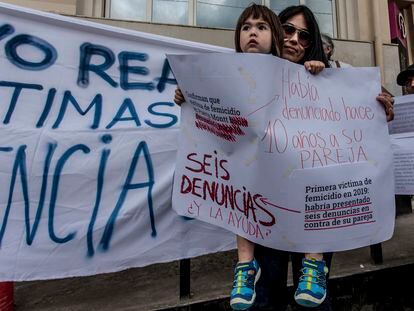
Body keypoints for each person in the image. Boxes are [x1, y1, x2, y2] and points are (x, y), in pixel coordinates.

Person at [174, 4, 394, 311]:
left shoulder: (334, 78)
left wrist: (380, 108)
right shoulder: (250, 78)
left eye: (303, 35)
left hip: (314, 210)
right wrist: (190, 97)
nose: (293, 39)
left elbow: (365, 114)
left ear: (312, 41)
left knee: (313, 300)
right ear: (275, 33)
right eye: (287, 29)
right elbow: (220, 113)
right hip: (267, 208)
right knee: (264, 297)